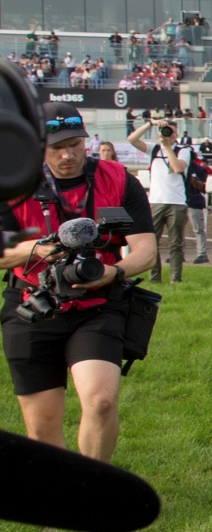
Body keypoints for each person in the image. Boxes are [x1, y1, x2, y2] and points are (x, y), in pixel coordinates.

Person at [1, 108, 158, 461]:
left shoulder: (117, 178)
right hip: (33, 306)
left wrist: (113, 273)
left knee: (101, 402)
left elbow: (146, 251)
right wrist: (44, 249)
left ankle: (93, 489)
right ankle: (59, 499)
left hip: (99, 304)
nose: (68, 155)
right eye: (56, 148)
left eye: (75, 145)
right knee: (42, 428)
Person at [127, 120, 187, 283]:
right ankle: (155, 279)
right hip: (155, 201)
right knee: (152, 242)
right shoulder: (154, 149)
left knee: (175, 244)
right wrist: (150, 123)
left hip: (176, 201)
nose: (170, 134)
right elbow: (131, 139)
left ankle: (175, 279)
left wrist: (167, 146)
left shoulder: (183, 150)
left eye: (172, 131)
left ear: (177, 134)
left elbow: (177, 168)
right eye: (167, 130)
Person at [184, 142, 211, 265]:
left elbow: (203, 187)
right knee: (177, 230)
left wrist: (192, 180)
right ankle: (179, 253)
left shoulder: (199, 169)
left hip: (194, 201)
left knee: (198, 229)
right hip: (180, 201)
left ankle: (202, 253)